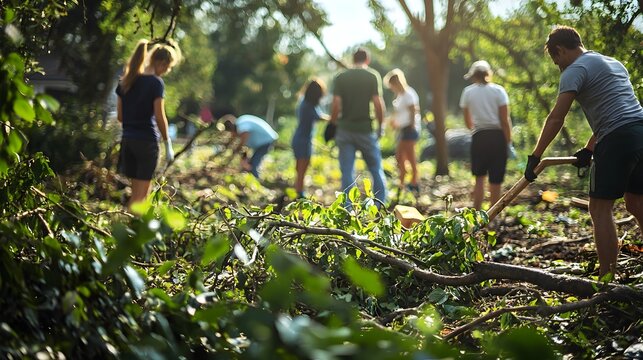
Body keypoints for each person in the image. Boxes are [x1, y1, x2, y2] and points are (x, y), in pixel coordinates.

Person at [524, 25, 643, 277]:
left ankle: (606, 279)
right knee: (636, 202)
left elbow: (556, 119)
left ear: (560, 50)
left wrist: (535, 156)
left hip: (618, 138)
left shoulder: (574, 70)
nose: (558, 66)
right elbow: (615, 110)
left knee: (599, 208)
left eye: (556, 60)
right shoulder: (612, 63)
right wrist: (589, 149)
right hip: (639, 131)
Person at [116, 39, 180, 210]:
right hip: (146, 143)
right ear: (161, 62)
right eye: (167, 67)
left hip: (128, 142)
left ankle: (129, 228)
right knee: (140, 198)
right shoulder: (155, 83)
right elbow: (160, 117)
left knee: (137, 193)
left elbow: (120, 117)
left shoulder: (126, 80)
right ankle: (130, 233)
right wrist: (168, 144)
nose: (166, 71)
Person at [330, 48, 387, 207]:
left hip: (344, 130)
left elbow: (336, 104)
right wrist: (381, 126)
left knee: (347, 171)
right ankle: (379, 205)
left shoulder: (341, 77)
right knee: (375, 168)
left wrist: (332, 124)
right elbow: (378, 104)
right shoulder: (371, 76)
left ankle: (347, 208)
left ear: (353, 60)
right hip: (365, 130)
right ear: (367, 60)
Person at [459, 60, 511, 210]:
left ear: (474, 76)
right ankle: (492, 215)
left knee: (479, 178)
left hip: (479, 137)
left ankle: (476, 214)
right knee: (496, 180)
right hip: (498, 137)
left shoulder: (468, 92)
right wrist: (508, 142)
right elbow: (504, 119)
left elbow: (468, 122)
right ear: (488, 74)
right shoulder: (498, 91)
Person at [384, 68, 420, 194]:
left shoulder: (409, 93)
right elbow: (399, 113)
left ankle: (414, 182)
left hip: (409, 130)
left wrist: (411, 125)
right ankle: (402, 182)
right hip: (402, 129)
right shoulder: (400, 96)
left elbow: (413, 110)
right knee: (400, 158)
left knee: (410, 157)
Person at [291, 78, 329, 198]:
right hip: (303, 140)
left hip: (300, 138)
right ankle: (299, 194)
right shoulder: (308, 105)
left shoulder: (305, 102)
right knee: (302, 169)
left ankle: (298, 190)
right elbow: (319, 117)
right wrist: (333, 118)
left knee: (300, 168)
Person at [221, 114, 278, 179]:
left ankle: (257, 181)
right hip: (261, 143)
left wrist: (238, 148)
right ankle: (253, 179)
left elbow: (245, 134)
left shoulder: (241, 124)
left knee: (253, 165)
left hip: (266, 141)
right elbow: (245, 147)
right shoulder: (241, 124)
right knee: (248, 164)